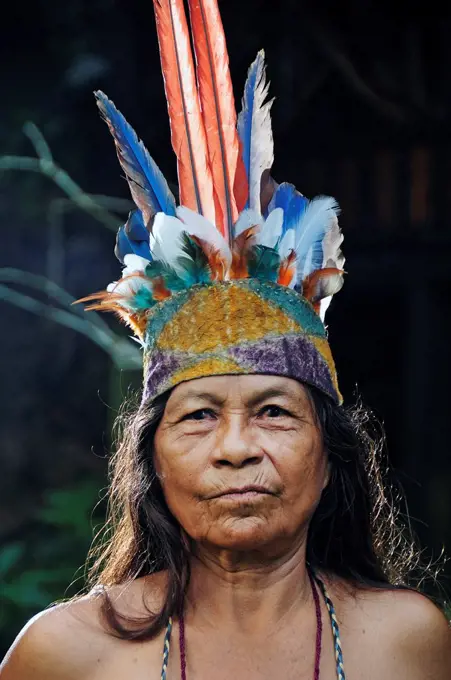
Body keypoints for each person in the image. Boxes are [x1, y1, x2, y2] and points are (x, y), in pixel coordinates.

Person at [1, 0, 450, 678]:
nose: (236, 449)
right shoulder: (65, 653)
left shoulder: (407, 639)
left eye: (273, 412)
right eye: (199, 416)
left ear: (328, 459)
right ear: (151, 462)